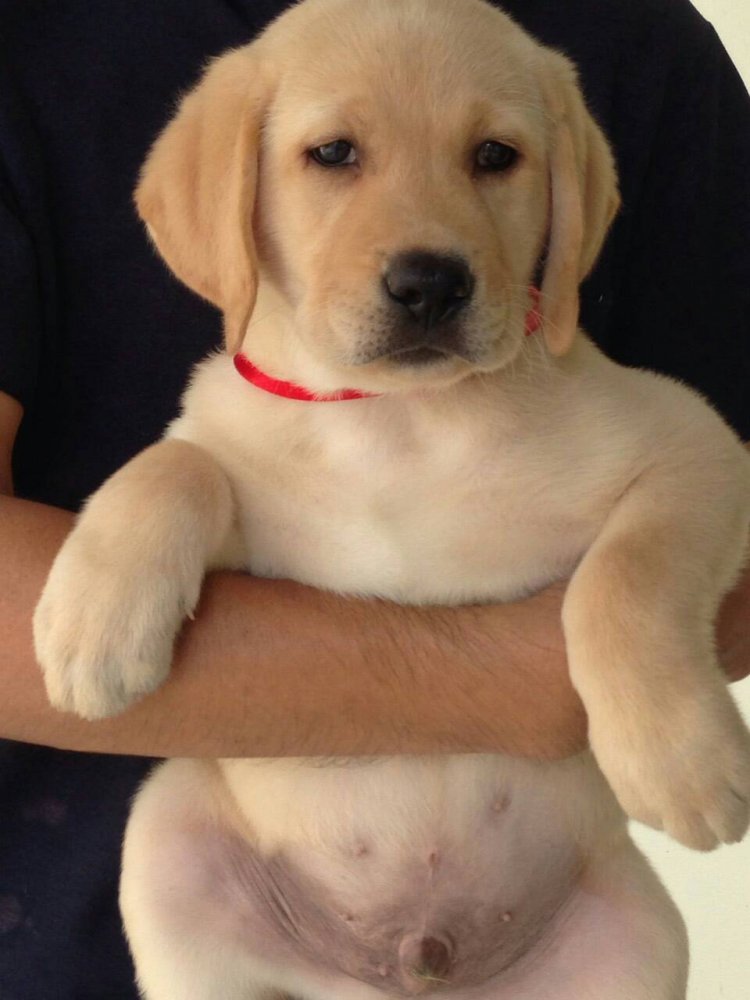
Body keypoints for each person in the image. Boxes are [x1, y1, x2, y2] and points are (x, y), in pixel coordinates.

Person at [1, 0, 748, 996]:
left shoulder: (635, 44)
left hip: (551, 926)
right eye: (335, 155)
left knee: (633, 935)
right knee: (171, 840)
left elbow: (708, 464)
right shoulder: (33, 47)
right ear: (229, 200)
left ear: (567, 203)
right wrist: (164, 496)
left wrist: (631, 624)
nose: (427, 248)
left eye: (493, 158)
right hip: (214, 912)